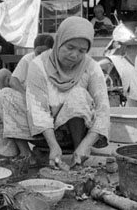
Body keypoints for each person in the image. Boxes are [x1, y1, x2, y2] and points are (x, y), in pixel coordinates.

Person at [26, 17, 110, 168]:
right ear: (59, 42)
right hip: (44, 135)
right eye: (70, 47)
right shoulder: (38, 65)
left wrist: (86, 144)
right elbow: (38, 111)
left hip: (77, 133)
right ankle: (30, 155)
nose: (74, 55)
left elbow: (103, 109)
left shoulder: (91, 67)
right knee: (7, 96)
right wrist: (53, 145)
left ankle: (79, 155)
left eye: (82, 51)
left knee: (78, 95)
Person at [0, 33, 55, 160]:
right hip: (29, 102)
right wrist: (27, 96)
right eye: (38, 53)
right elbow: (13, 80)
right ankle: (25, 153)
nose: (41, 56)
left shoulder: (56, 62)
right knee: (3, 95)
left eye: (45, 53)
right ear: (34, 51)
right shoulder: (28, 59)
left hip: (49, 106)